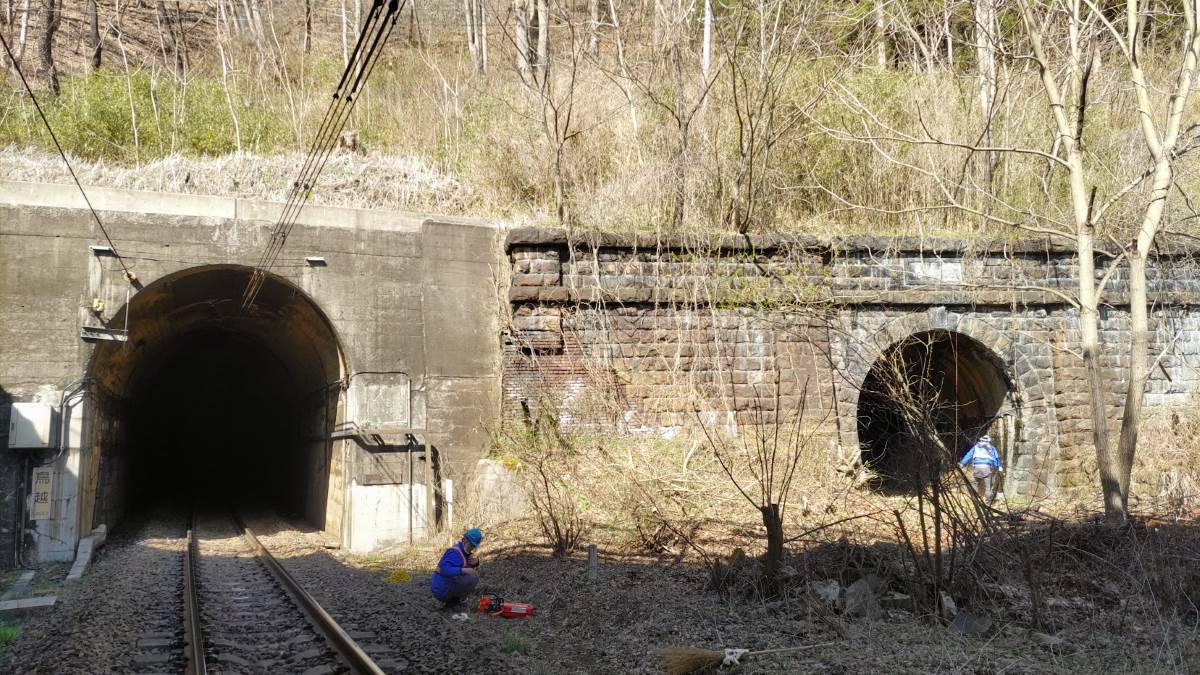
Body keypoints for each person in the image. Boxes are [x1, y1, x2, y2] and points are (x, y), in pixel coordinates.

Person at [431, 528, 483, 608]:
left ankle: (454, 601)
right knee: (473, 578)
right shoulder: (454, 552)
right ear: (465, 539)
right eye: (471, 545)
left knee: (472, 575)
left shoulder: (464, 552)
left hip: (445, 585)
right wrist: (463, 570)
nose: (472, 548)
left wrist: (475, 563)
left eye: (474, 546)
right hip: (440, 587)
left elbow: (463, 566)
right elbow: (444, 569)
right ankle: (453, 601)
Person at [959, 435, 1002, 503]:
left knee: (976, 483)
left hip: (977, 468)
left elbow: (968, 455)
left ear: (981, 440)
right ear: (989, 441)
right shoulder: (992, 448)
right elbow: (996, 458)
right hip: (987, 468)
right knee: (988, 487)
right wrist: (998, 466)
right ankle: (988, 502)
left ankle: (974, 499)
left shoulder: (975, 447)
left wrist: (962, 463)